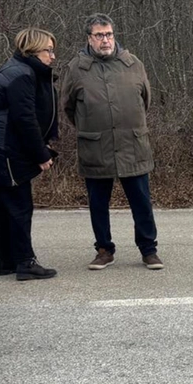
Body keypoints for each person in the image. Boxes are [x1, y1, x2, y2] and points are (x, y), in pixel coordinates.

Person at [60, 13, 161, 271]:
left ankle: (149, 250)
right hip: (96, 147)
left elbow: (145, 100)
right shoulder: (77, 68)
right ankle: (104, 250)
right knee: (98, 203)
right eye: (99, 35)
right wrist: (92, 126)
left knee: (141, 201)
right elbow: (69, 107)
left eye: (109, 34)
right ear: (89, 38)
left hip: (132, 145)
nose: (105, 40)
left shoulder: (133, 63)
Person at [0, 28, 59, 281]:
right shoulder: (21, 74)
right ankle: (25, 262)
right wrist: (42, 154)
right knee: (20, 207)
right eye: (48, 50)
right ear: (32, 50)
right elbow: (25, 120)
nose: (53, 56)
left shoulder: (17, 69)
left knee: (6, 206)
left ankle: (7, 260)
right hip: (6, 152)